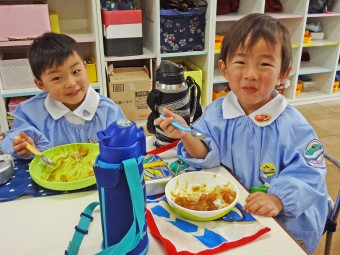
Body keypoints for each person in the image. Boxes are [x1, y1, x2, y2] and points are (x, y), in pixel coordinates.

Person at [155, 13, 328, 254]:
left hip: (285, 219)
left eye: (265, 64)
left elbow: (309, 175)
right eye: (241, 62)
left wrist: (279, 200)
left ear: (283, 75)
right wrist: (185, 134)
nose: (251, 74)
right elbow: (206, 152)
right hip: (233, 209)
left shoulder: (294, 127)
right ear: (224, 69)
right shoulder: (217, 112)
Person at [1, 32, 125, 158]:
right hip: (51, 175)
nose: (71, 83)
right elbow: (12, 138)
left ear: (85, 68)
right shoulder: (30, 112)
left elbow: (124, 143)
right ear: (41, 85)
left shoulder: (108, 111)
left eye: (76, 71)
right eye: (57, 78)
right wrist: (22, 145)